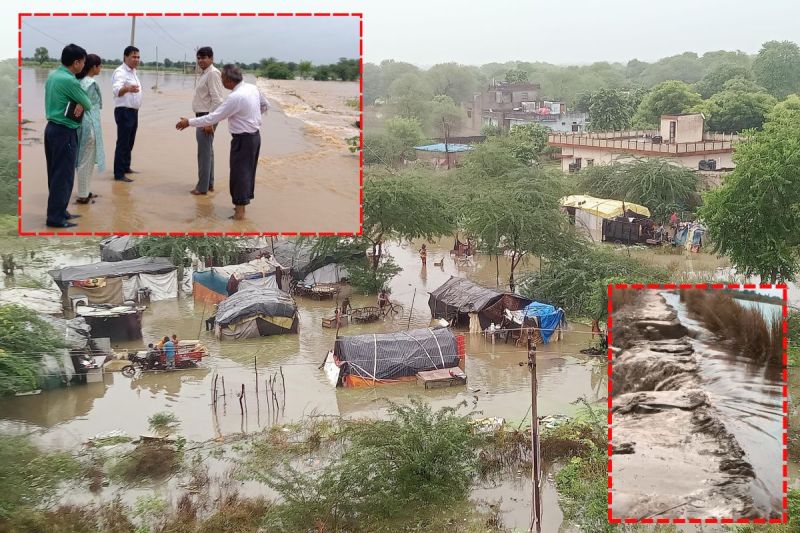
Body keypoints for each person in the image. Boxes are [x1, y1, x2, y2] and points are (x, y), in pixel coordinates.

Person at [176, 64, 270, 220]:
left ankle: (239, 214)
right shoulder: (251, 88)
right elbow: (265, 105)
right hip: (254, 137)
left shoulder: (235, 97)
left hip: (243, 139)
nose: (221, 82)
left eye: (222, 79)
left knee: (239, 174)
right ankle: (240, 206)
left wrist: (189, 122)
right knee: (247, 173)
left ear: (228, 80)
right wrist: (251, 117)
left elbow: (213, 117)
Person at [43, 44, 92, 228]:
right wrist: (79, 102)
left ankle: (60, 211)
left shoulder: (53, 75)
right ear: (76, 62)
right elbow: (87, 103)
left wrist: (76, 101)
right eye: (83, 62)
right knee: (63, 176)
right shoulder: (69, 81)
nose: (83, 66)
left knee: (55, 174)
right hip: (64, 131)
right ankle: (55, 218)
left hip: (51, 129)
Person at [190, 47, 224, 195]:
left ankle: (202, 188)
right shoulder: (204, 73)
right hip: (203, 116)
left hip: (206, 117)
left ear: (211, 58)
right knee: (208, 152)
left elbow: (218, 100)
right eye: (199, 58)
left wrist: (210, 121)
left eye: (204, 58)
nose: (201, 60)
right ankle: (209, 184)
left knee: (203, 153)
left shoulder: (212, 73)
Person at [75, 54, 105, 204]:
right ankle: (82, 194)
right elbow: (89, 106)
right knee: (86, 160)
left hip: (81, 124)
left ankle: (85, 191)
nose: (101, 68)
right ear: (94, 67)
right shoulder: (91, 83)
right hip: (89, 124)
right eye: (100, 65)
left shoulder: (79, 81)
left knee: (84, 159)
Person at [111, 46, 141, 183]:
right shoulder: (120, 72)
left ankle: (126, 167)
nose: (136, 59)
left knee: (130, 141)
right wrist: (127, 88)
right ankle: (118, 173)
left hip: (133, 111)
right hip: (124, 111)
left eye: (138, 57)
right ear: (125, 57)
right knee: (123, 142)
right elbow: (117, 90)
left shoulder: (133, 71)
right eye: (134, 57)